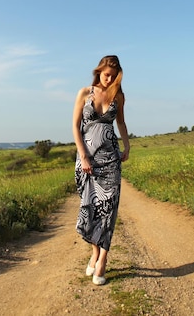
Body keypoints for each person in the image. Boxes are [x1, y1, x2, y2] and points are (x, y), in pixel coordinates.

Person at [72, 54, 130, 286]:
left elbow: (121, 123)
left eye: (114, 77)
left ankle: (102, 261)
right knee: (91, 208)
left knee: (109, 208)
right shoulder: (85, 93)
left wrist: (127, 144)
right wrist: (83, 155)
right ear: (99, 72)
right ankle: (95, 252)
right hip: (86, 162)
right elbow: (75, 126)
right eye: (107, 75)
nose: (109, 80)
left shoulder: (119, 95)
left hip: (110, 160)